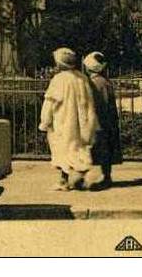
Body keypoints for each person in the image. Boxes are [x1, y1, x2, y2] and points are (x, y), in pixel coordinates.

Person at [38, 48, 97, 191]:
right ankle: (78, 177)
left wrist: (45, 121)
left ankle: (65, 180)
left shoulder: (58, 80)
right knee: (78, 149)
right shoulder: (82, 78)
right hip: (81, 121)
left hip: (63, 121)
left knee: (63, 150)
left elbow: (50, 102)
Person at [83, 52, 122, 190]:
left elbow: (102, 104)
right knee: (102, 149)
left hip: (101, 122)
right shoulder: (104, 81)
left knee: (102, 150)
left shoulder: (97, 82)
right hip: (105, 121)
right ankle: (104, 176)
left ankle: (105, 177)